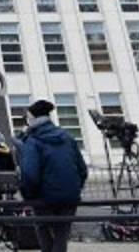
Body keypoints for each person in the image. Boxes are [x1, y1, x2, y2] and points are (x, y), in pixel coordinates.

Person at [18, 99, 87, 252]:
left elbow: (30, 174)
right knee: (61, 234)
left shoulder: (32, 141)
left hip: (43, 197)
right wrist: (76, 188)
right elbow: (82, 169)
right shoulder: (67, 137)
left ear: (32, 118)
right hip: (70, 195)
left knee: (43, 229)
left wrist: (28, 195)